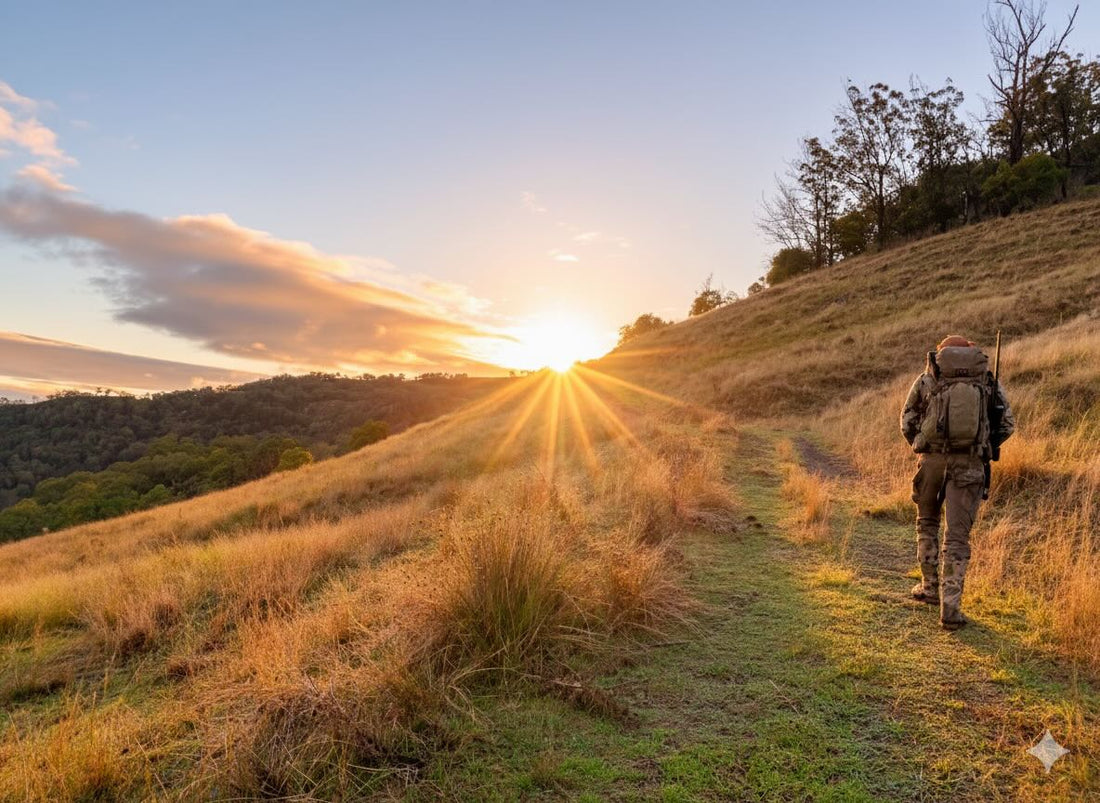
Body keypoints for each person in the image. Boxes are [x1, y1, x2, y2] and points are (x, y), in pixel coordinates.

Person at [899, 335, 1014, 630]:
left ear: (942, 353)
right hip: (970, 464)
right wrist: (983, 447)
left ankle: (929, 589)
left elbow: (907, 420)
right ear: (972, 352)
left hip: (931, 462)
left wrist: (922, 446)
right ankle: (951, 610)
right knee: (957, 538)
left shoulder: (929, 377)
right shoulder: (986, 380)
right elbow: (1007, 424)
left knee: (926, 523)